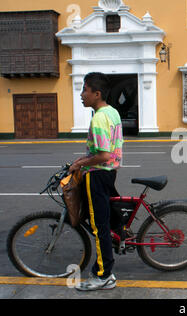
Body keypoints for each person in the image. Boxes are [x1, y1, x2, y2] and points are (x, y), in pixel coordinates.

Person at [69, 72, 123, 291]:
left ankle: (103, 275)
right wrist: (80, 160)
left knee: (98, 225)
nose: (81, 94)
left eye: (85, 89)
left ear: (96, 93)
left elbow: (102, 155)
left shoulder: (99, 117)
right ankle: (120, 233)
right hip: (108, 172)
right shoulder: (112, 112)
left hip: (98, 174)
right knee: (108, 219)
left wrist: (82, 165)